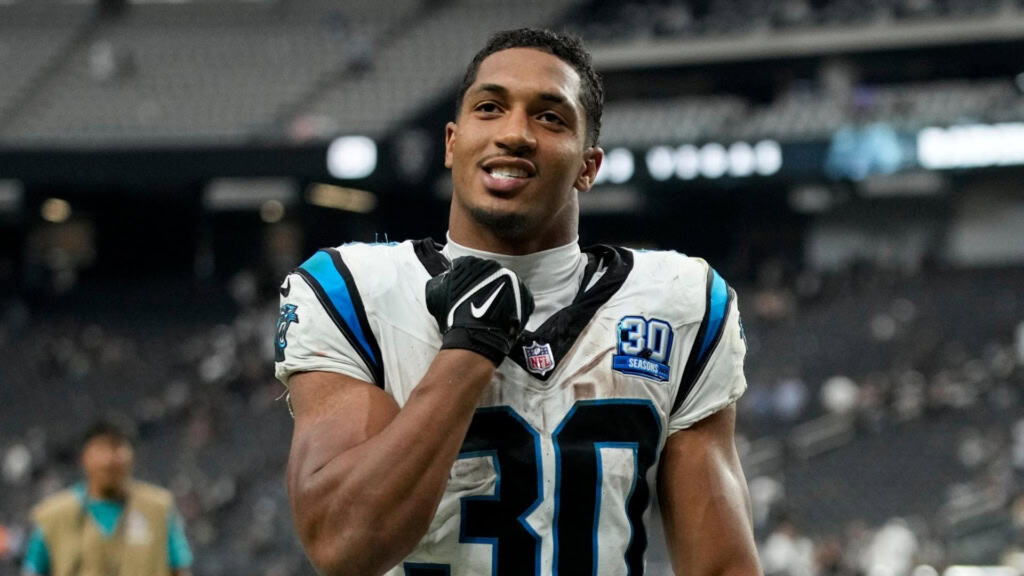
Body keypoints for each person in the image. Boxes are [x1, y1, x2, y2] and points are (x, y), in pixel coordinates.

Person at [276, 27, 761, 576]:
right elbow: (343, 545)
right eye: (490, 108)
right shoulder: (352, 290)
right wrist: (468, 352)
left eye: (550, 117)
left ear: (588, 166)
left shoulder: (680, 301)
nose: (515, 134)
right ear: (452, 142)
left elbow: (720, 566)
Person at [22, 416, 192, 576]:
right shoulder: (54, 516)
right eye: (101, 449)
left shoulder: (158, 510)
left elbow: (179, 568)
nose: (108, 460)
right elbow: (33, 571)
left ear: (132, 456)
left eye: (117, 448)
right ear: (84, 457)